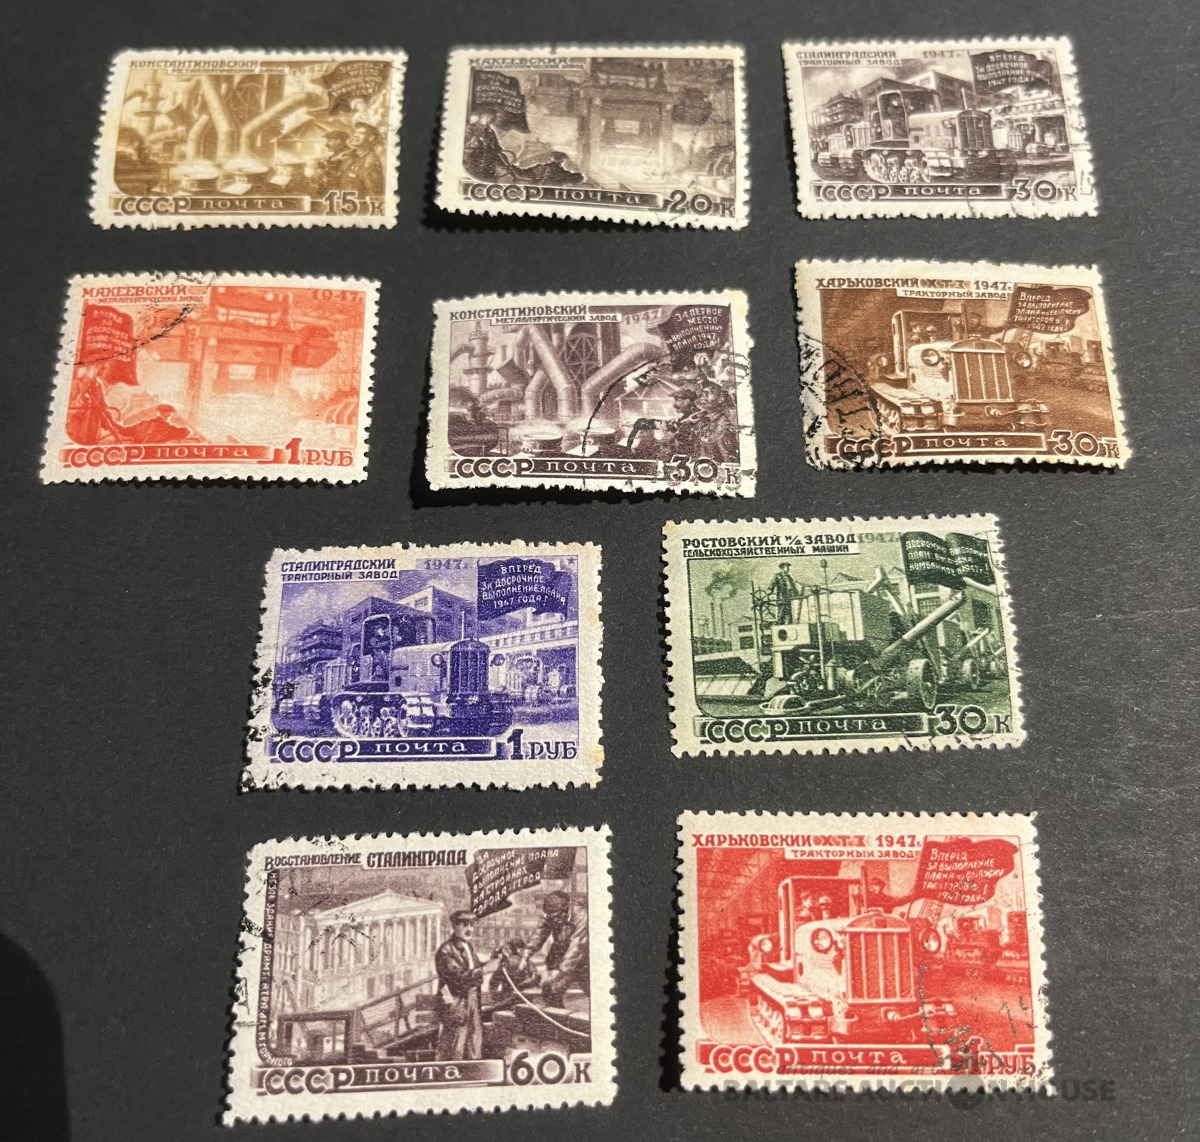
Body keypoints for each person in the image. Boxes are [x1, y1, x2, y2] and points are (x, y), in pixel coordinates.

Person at [434, 911, 499, 1061]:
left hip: (472, 1001)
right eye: (464, 925)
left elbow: (473, 968)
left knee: (474, 1043)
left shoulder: (467, 945)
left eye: (471, 925)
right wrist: (485, 970)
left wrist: (493, 959)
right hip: (456, 1003)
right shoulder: (446, 950)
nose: (469, 929)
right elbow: (458, 977)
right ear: (454, 926)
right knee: (455, 1047)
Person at [520, 891, 588, 1007]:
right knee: (551, 990)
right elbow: (539, 933)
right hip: (560, 950)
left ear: (565, 911)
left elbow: (577, 947)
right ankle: (556, 1012)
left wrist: (559, 972)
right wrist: (525, 956)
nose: (553, 921)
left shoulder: (581, 916)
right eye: (550, 917)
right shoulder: (550, 914)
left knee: (589, 987)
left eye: (556, 917)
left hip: (582, 954)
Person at [339, 122, 385, 198]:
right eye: (355, 132)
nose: (355, 135)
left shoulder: (371, 161)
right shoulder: (348, 157)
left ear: (371, 137)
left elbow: (374, 193)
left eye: (360, 133)